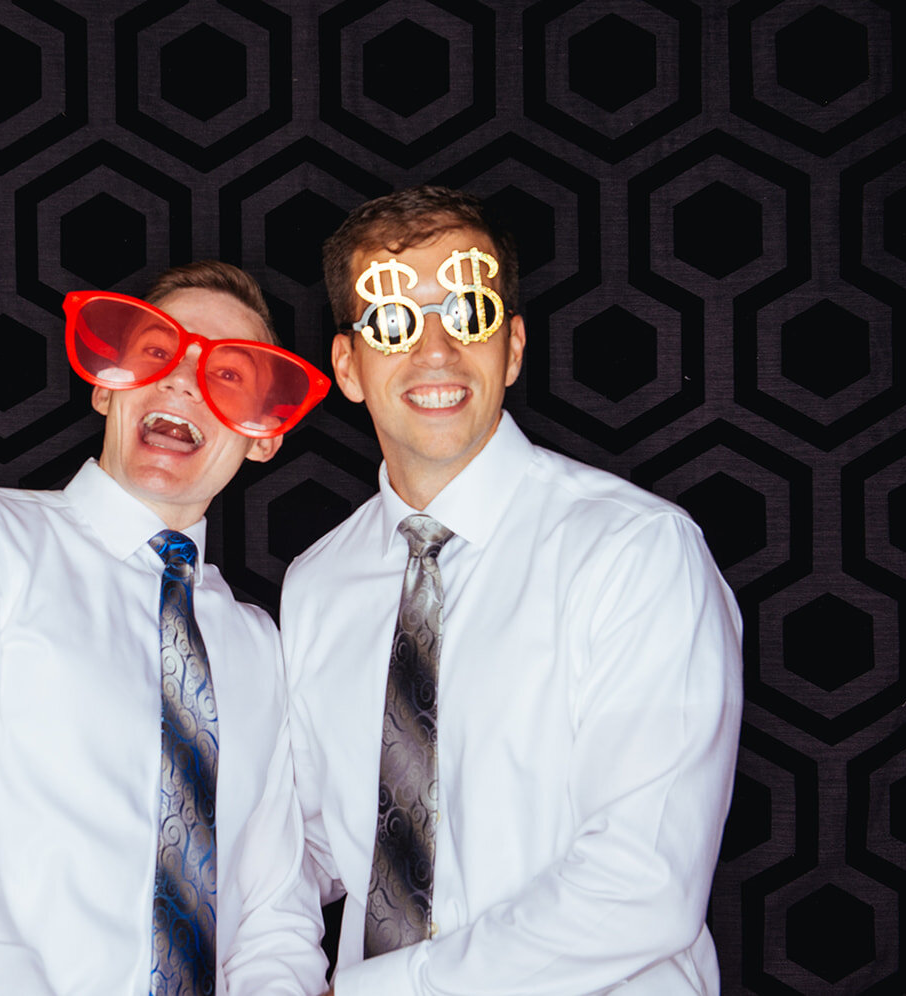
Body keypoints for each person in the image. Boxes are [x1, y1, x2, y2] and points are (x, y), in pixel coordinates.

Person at [281, 187, 743, 995]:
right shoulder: (318, 582)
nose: (434, 351)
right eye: (394, 322)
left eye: (469, 314)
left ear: (514, 348)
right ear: (348, 368)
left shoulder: (636, 553)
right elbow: (310, 847)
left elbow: (644, 884)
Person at [0, 261, 333, 995]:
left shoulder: (258, 645)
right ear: (107, 383)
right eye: (157, 353)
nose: (183, 383)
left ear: (264, 435)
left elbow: (271, 913)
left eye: (229, 375)